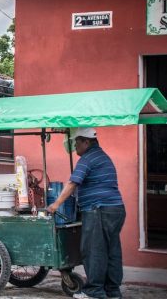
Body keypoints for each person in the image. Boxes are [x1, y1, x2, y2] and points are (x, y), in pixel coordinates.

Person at [47, 127, 125, 299]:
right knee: (112, 251)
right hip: (115, 209)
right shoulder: (102, 156)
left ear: (86, 141)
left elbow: (72, 183)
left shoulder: (88, 158)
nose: (75, 147)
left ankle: (95, 292)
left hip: (99, 209)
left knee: (94, 250)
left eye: (76, 142)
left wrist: (55, 205)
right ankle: (112, 291)